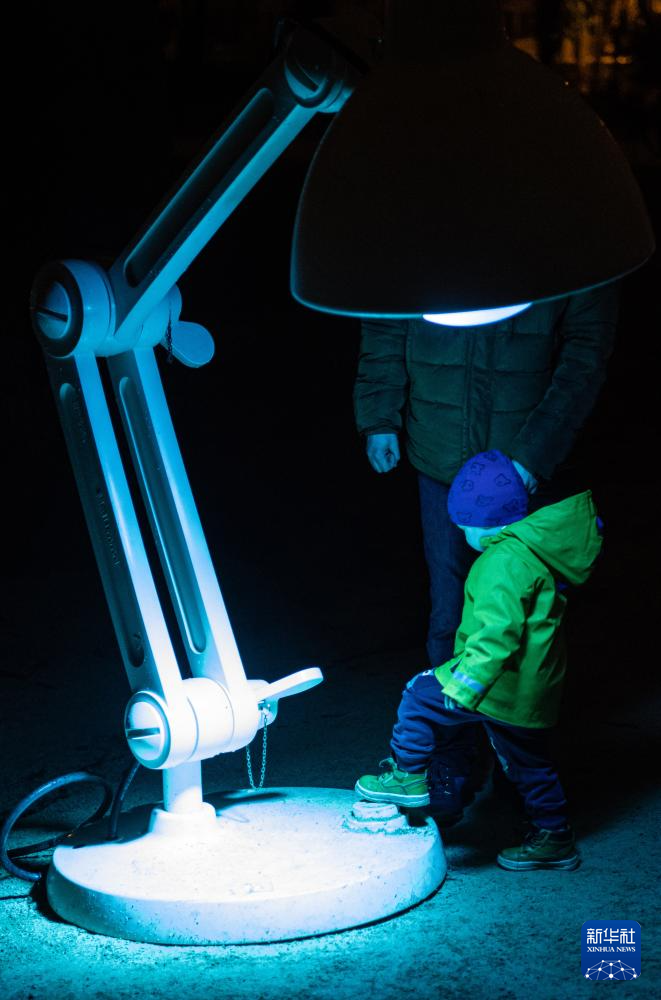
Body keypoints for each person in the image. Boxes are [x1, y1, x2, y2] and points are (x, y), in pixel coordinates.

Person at [355, 450, 603, 871]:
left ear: (479, 522)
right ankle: (554, 837)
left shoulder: (499, 563)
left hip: (494, 684)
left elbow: (497, 633)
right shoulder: (534, 550)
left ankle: (408, 777)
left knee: (418, 695)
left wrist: (467, 684)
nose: (460, 532)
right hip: (530, 688)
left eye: (462, 524)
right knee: (530, 765)